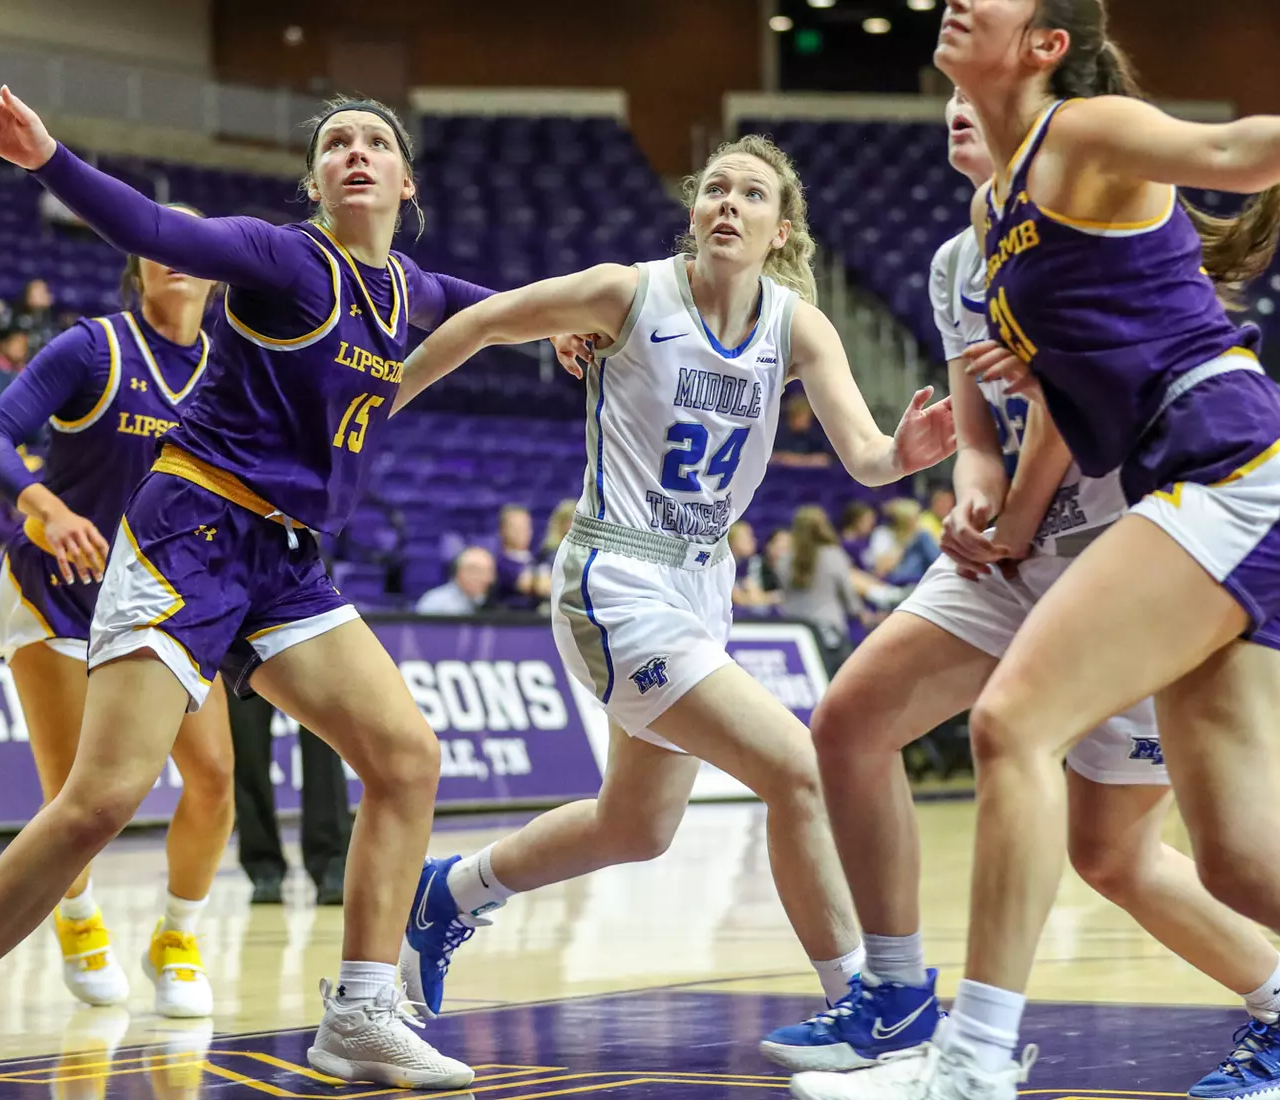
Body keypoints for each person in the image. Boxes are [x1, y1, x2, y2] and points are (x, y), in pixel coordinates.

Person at [793, 4, 1280, 1100]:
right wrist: (1032, 404)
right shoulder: (994, 205)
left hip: (1231, 462)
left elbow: (1221, 152)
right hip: (1223, 488)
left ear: (1047, 45)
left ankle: (968, 1066)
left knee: (1010, 723)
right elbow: (1080, 361)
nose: (961, 0)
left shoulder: (1078, 131)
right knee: (1244, 862)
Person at [0, 86, 580, 1094]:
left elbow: (500, 310)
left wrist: (575, 328)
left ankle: (361, 1011)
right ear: (315, 181)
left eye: (375, 143)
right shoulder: (284, 259)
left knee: (407, 756)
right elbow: (154, 228)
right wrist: (48, 155)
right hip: (193, 530)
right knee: (99, 797)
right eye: (334, 145)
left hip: (289, 561)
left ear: (406, 182)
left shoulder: (409, 290)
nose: (355, 153)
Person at [774, 90, 1280, 1097]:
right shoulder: (958, 262)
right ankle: (900, 990)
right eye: (945, 100)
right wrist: (971, 502)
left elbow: (1064, 420)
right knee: (851, 719)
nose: (958, 111)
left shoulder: (1075, 232)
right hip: (1017, 556)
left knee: (1116, 853)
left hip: (1126, 558)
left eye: (975, 99)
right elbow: (982, 432)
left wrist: (1006, 521)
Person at [390, 133, 956, 1027]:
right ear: (695, 213)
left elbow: (867, 456)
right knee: (795, 768)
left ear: (781, 231)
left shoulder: (798, 327)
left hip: (701, 587)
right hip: (615, 577)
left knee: (636, 830)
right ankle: (867, 1003)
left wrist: (904, 455)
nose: (729, 203)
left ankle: (447, 896)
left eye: (753, 195)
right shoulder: (629, 291)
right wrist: (378, 405)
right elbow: (486, 320)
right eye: (715, 190)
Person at [0, 217, 234, 1017]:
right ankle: (78, 921)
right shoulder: (93, 348)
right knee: (79, 798)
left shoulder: (233, 371)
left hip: (166, 600)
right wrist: (45, 505)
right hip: (59, 590)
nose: (176, 257)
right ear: (138, 263)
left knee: (215, 779)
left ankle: (177, 937)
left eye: (194, 245)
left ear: (217, 272)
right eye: (160, 242)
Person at [230, 689, 354, 906]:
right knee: (247, 744)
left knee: (323, 736)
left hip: (313, 654)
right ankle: (263, 866)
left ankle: (331, 862)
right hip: (241, 655)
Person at [774, 506, 864, 665]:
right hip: (830, 633)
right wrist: (861, 613)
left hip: (795, 633)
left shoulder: (783, 560)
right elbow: (850, 600)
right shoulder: (834, 555)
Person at [866, 497, 943, 588]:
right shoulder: (883, 533)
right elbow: (881, 568)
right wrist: (904, 546)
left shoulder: (917, 536)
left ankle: (941, 570)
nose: (918, 522)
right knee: (923, 538)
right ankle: (943, 570)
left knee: (922, 542)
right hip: (894, 577)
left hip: (917, 575)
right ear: (904, 520)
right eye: (915, 519)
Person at [491, 503, 546, 611]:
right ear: (503, 530)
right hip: (514, 621)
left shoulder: (539, 559)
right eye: (516, 527)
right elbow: (536, 587)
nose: (522, 532)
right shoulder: (502, 564)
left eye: (525, 527)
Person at [416, 545, 494, 615]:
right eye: (481, 572)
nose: (489, 579)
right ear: (462, 573)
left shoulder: (481, 602)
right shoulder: (436, 604)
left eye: (489, 572)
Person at [772, 392, 835, 467]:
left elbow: (825, 459)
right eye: (800, 417)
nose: (804, 421)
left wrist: (799, 460)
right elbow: (771, 456)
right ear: (792, 417)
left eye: (806, 418)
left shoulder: (814, 436)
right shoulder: (778, 434)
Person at [730, 520, 778, 610]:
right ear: (732, 540)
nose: (753, 540)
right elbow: (742, 600)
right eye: (747, 536)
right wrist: (771, 598)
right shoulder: (724, 566)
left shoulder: (752, 563)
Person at [14, 278, 64, 347]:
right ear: (29, 297)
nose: (46, 295)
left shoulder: (56, 322)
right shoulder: (20, 323)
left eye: (46, 291)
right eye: (40, 292)